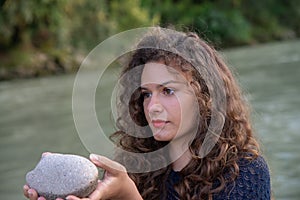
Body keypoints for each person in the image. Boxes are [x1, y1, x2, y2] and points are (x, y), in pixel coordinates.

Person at [23, 27, 271, 200]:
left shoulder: (246, 172)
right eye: (146, 94)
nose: (152, 106)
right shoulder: (136, 168)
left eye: (168, 91)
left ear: (205, 97)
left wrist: (128, 197)